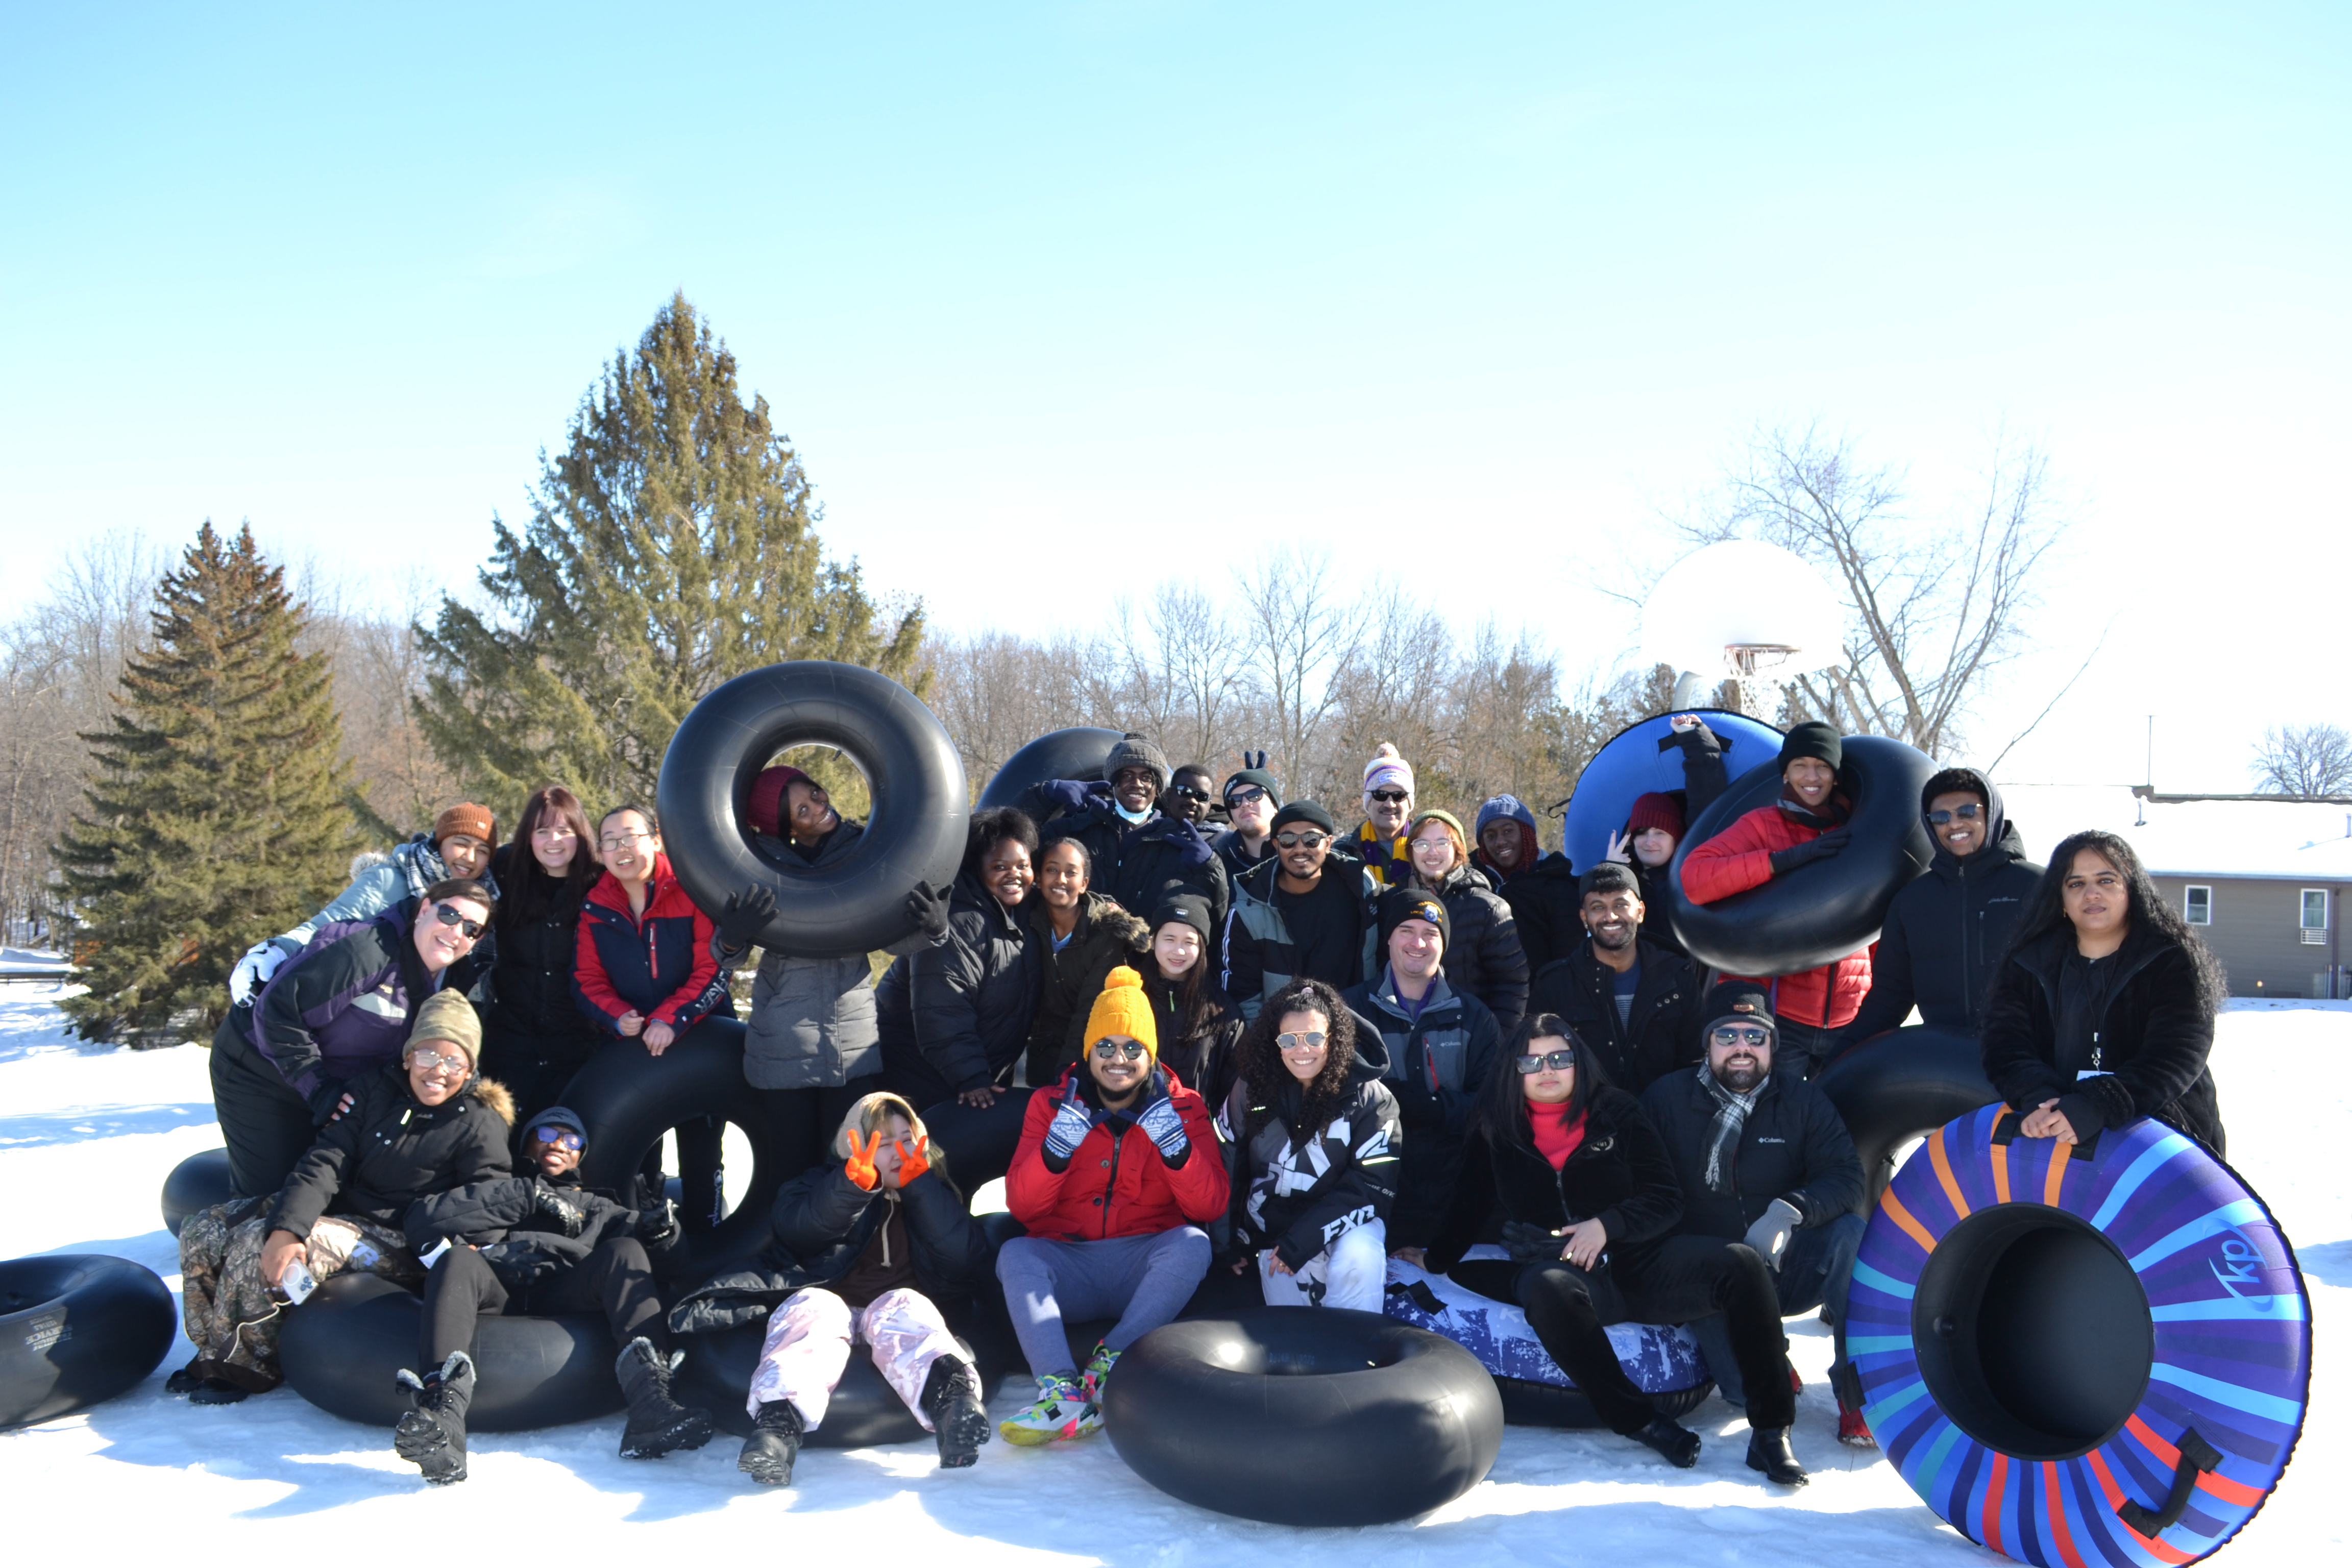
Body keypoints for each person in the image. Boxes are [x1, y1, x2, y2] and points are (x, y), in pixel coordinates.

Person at [1430, 1015, 1808, 1485]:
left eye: (1559, 1058)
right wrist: (1431, 1258)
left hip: (1642, 1261)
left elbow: (1666, 1198)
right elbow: (1466, 1205)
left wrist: (1608, 1226)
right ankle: (1643, 1423)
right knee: (1546, 1288)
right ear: (1515, 1070)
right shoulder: (1497, 1128)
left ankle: (1773, 1432)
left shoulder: (1618, 1111)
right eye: (1532, 1061)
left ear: (1578, 1062)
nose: (1547, 1069)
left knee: (1742, 1263)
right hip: (1561, 1266)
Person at [173, 992, 512, 1406]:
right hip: (348, 1214)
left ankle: (244, 1367)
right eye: (428, 1055)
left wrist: (470, 1248)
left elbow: (490, 1192)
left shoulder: (479, 1119)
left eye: (454, 1061)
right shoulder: (373, 1091)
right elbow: (325, 1162)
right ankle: (211, 1350)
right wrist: (288, 1228)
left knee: (256, 1246)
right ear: (408, 1056)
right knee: (204, 1229)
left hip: (404, 1240)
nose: (438, 1071)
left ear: (470, 1069)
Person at [666, 1093, 995, 1487]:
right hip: (833, 1298)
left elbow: (963, 1255)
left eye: (906, 1139)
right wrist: (852, 1187)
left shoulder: (933, 1191)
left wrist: (920, 1188)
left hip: (890, 1309)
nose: (897, 1153)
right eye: (882, 1143)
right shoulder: (821, 1183)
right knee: (813, 1310)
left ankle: (954, 1408)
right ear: (853, 1146)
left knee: (907, 1307)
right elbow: (802, 1228)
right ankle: (777, 1432)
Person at [398, 1106, 708, 1479]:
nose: (560, 1144)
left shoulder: (599, 1207)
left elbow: (675, 1268)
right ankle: (443, 1419)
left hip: (565, 1290)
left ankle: (651, 1405)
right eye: (547, 1134)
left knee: (627, 1251)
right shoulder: (495, 1189)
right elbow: (422, 1219)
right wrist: (527, 1196)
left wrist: (662, 1233)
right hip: (496, 1286)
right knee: (457, 1259)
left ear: (581, 1154)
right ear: (527, 1141)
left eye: (572, 1139)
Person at [995, 968, 1227, 1443]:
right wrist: (1056, 1152)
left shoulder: (1185, 1106)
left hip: (1141, 1267)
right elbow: (1023, 1208)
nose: (1117, 1060)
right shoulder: (1050, 1103)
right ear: (1088, 1052)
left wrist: (1176, 1149)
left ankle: (1110, 1362)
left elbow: (1210, 1204)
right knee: (1015, 1253)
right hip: (1070, 1261)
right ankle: (1062, 1393)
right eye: (1105, 1047)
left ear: (1150, 1053)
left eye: (1131, 1048)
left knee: (1192, 1243)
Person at [1640, 985, 1871, 1447]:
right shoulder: (1665, 1100)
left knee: (1850, 1234)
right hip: (1715, 1277)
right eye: (1727, 1035)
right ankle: (1770, 1357)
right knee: (1744, 1395)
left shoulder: (1802, 1100)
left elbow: (1845, 1175)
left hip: (1786, 1264)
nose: (1741, 1047)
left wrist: (1793, 1210)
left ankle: (1858, 1394)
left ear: (1772, 1045)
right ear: (1707, 1044)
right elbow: (1640, 1183)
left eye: (1754, 1036)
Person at [707, 765, 951, 1166]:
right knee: (789, 1172)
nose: (819, 807)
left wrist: (933, 928)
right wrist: (732, 934)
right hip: (783, 1047)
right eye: (802, 810)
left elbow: (891, 940)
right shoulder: (759, 868)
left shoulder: (868, 851)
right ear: (786, 828)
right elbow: (728, 954)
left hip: (851, 1049)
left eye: (816, 794)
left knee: (851, 1170)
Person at [209, 877, 495, 1199]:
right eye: (450, 916)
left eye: (472, 929)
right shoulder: (366, 951)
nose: (457, 932)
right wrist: (317, 1087)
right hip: (259, 1071)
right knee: (274, 1196)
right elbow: (278, 1011)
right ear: (425, 909)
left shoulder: (453, 980)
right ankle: (226, 1229)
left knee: (332, 1187)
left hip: (333, 1082)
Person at [1980, 829, 2226, 1156]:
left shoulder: (2171, 960)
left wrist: (2098, 1104)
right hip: (2055, 1132)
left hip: (2165, 1139)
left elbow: (2177, 1054)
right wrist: (2040, 1098)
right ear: (2061, 899)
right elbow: (2005, 1045)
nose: (2091, 894)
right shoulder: (2028, 962)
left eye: (2106, 880)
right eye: (2076, 884)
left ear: (2131, 890)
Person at [574, 806, 737, 1231]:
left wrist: (670, 1018)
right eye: (609, 841)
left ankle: (708, 1238)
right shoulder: (596, 905)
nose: (621, 848)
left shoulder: (691, 889)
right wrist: (618, 1016)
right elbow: (587, 980)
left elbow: (714, 967)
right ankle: (650, 1244)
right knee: (641, 1155)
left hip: (701, 1038)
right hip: (634, 1049)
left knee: (702, 1152)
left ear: (656, 839)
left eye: (630, 836)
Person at [1679, 722, 1875, 1075]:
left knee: (1840, 1125)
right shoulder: (1761, 824)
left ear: (1836, 775)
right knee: (1777, 1122)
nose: (1811, 776)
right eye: (1800, 765)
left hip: (1850, 1017)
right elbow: (1695, 877)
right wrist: (1780, 861)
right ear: (1786, 773)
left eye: (1822, 766)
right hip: (1781, 1017)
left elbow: (1872, 917)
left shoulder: (1859, 829)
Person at [1219, 977, 1401, 1311]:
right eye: (1289, 1039)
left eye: (1314, 1037)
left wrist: (1302, 1242)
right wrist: (1226, 1241)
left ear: (1335, 1039)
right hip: (1275, 1231)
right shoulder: (1251, 1089)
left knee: (1359, 1261)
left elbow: (1373, 1188)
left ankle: (1358, 1356)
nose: (1301, 1050)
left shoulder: (1372, 1098)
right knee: (1290, 1339)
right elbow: (1227, 1159)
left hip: (1346, 1226)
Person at [1343, 889, 1501, 1264]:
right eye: (1406, 930)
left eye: (1431, 933)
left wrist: (1426, 1108)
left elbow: (1492, 1104)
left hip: (1452, 1196)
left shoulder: (1475, 1016)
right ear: (1389, 939)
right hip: (1372, 1191)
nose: (1418, 943)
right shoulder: (1351, 1010)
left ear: (1444, 944)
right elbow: (1340, 1096)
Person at [228, 802, 502, 1009]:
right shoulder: (391, 880)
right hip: (358, 1009)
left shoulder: (483, 905)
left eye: (482, 851)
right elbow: (325, 926)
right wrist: (276, 950)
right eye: (461, 844)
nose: (470, 857)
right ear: (440, 842)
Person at [1839, 767, 2043, 1045]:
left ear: (1991, 813)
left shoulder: (2038, 886)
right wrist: (1836, 1062)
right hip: (1949, 1062)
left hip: (2030, 1056)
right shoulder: (1912, 901)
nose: (1955, 824)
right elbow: (1890, 996)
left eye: (1967, 812)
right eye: (1941, 817)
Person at [876, 806, 1043, 1113]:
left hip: (975, 1069)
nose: (1015, 875)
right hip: (923, 1075)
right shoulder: (961, 921)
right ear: (977, 870)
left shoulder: (1026, 914)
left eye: (1023, 865)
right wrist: (972, 1076)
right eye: (999, 867)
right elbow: (941, 1010)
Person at [479, 786, 604, 1128]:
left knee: (565, 1149)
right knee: (504, 1146)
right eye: (543, 830)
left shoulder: (602, 884)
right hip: (509, 1044)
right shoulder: (504, 873)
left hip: (577, 1047)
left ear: (580, 834)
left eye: (565, 830)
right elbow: (452, 859)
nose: (554, 840)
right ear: (528, 836)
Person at [1021, 732, 1230, 936]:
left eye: (1146, 778)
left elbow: (1215, 916)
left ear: (1157, 788)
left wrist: (1210, 868)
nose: (1136, 784)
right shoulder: (1078, 830)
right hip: (1075, 961)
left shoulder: (1179, 844)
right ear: (1114, 783)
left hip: (1146, 964)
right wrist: (1046, 795)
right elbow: (1016, 842)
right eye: (1127, 776)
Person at [1525, 864, 1706, 1094]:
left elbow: (1695, 1060)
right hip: (1587, 1121)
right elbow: (1538, 1064)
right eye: (1598, 907)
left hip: (1663, 1120)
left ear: (1640, 912)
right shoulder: (1554, 984)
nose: (1610, 916)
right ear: (1584, 917)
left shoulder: (1676, 975)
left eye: (1620, 905)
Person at [1021, 836, 1151, 1088]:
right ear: (1038, 877)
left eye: (1071, 873)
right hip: (1040, 1047)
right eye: (1052, 870)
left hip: (1088, 1052)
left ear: (1084, 884)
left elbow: (1089, 1011)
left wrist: (1066, 1076)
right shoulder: (1027, 918)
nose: (1060, 879)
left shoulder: (1105, 935)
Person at [1222, 801, 1369, 1019]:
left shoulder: (1362, 891)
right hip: (1284, 1041)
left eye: (1311, 839)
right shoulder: (1250, 911)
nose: (1300, 849)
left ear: (1328, 843)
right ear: (1276, 845)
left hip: (1354, 1030)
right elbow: (1243, 997)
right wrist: (1270, 1045)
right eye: (1288, 840)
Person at [1602, 715, 1732, 960]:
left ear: (1676, 838)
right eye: (1642, 833)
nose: (1650, 841)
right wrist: (1612, 875)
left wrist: (1695, 739)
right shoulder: (1628, 882)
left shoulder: (1694, 874)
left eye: (1660, 833)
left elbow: (1707, 800)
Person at [1404, 807, 1530, 1037]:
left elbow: (1512, 984)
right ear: (1411, 852)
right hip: (1408, 1037)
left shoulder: (1487, 907)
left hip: (1468, 1038)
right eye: (1422, 844)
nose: (1432, 852)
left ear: (1458, 850)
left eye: (1443, 843)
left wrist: (1498, 1043)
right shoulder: (1397, 903)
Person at [1138, 893, 1244, 1110]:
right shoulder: (1129, 999)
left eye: (1189, 942)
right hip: (1133, 1129)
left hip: (1196, 1131)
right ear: (1153, 940)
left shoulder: (1222, 1012)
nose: (1179, 951)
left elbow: (1234, 1088)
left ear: (1202, 948)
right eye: (1169, 939)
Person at [1474, 793, 1585, 974]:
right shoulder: (1474, 888)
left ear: (1526, 834)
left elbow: (1569, 963)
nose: (1500, 842)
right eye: (1491, 836)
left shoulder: (1559, 887)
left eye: (1508, 831)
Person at [1352, 742, 1416, 890]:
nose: (1390, 804)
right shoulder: (1345, 853)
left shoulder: (1428, 850)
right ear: (1369, 802)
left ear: (1409, 802)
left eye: (1399, 796)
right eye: (1381, 795)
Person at [1212, 762, 1282, 888]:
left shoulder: (1299, 853)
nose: (1245, 804)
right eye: (1234, 801)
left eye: (1255, 795)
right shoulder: (1218, 864)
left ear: (1275, 805)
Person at [1163, 764, 1219, 830]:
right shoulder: (1149, 828)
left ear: (1209, 806)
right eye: (1185, 791)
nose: (1193, 801)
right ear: (1169, 794)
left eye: (1202, 796)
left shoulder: (1222, 839)